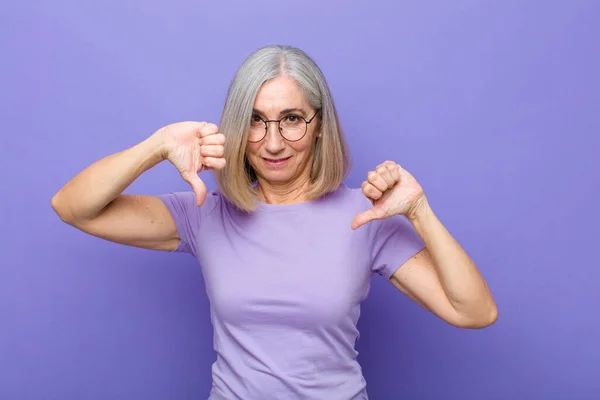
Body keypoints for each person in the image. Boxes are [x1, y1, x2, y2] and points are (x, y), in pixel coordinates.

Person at [51, 45, 497, 400]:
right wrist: (158, 144)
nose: (273, 143)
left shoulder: (366, 217)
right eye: (256, 122)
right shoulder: (205, 212)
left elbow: (475, 312)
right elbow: (73, 207)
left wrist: (419, 210)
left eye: (292, 120)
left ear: (320, 125)